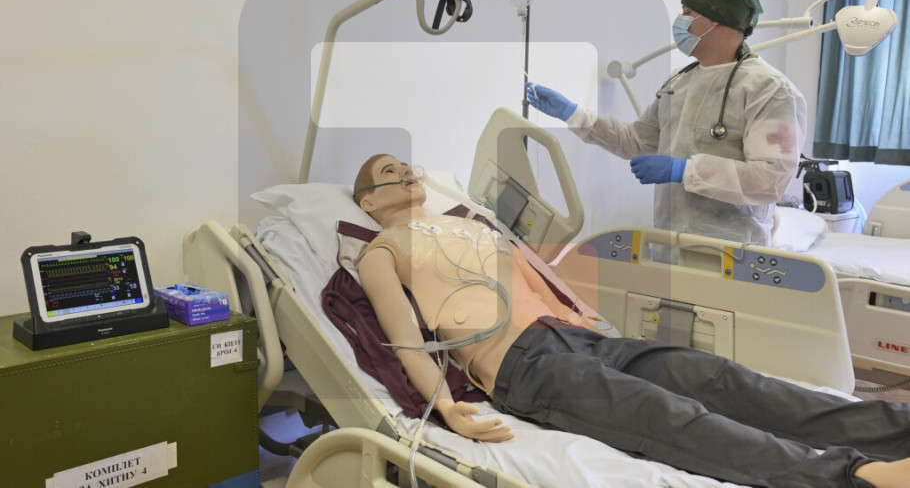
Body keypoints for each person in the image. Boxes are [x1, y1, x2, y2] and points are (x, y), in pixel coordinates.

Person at [353, 153, 910, 488]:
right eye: (387, 172)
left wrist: (587, 323)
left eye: (406, 166)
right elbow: (406, 340)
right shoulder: (382, 250)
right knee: (665, 414)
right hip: (522, 366)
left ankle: (894, 429)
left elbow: (543, 286)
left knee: (724, 380)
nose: (404, 172)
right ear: (367, 202)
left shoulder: (477, 226)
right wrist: (445, 406)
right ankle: (853, 476)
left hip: (582, 340)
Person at [527, 0, 807, 247]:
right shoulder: (680, 82)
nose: (680, 21)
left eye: (687, 12)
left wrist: (684, 170)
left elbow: (771, 180)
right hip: (668, 250)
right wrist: (572, 114)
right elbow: (634, 141)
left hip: (731, 256)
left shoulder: (769, 90)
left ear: (718, 18)